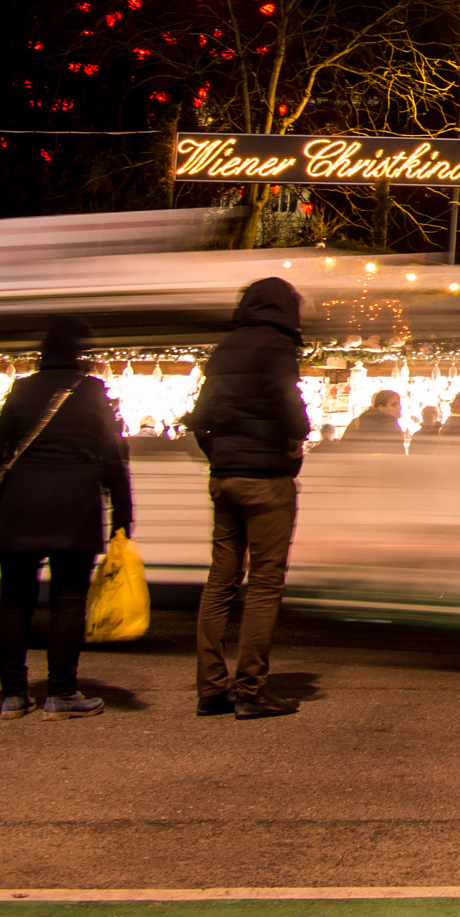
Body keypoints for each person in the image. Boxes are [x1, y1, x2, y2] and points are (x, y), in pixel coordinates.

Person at [0, 316, 131, 721]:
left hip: (19, 506)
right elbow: (112, 456)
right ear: (78, 354)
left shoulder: (20, 390)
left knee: (14, 603)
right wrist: (123, 512)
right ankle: (62, 693)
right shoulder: (91, 393)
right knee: (68, 600)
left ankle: (13, 695)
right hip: (74, 507)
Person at [183, 276, 309, 720]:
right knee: (264, 584)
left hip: (226, 477)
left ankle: (211, 688)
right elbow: (287, 400)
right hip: (266, 480)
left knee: (220, 581)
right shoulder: (276, 347)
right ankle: (251, 690)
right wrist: (298, 434)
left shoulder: (227, 346)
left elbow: (200, 417)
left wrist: (220, 456)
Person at [339, 390, 405, 452]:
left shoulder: (357, 422)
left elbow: (343, 450)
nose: (399, 408)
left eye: (399, 404)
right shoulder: (392, 428)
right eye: (394, 405)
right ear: (381, 407)